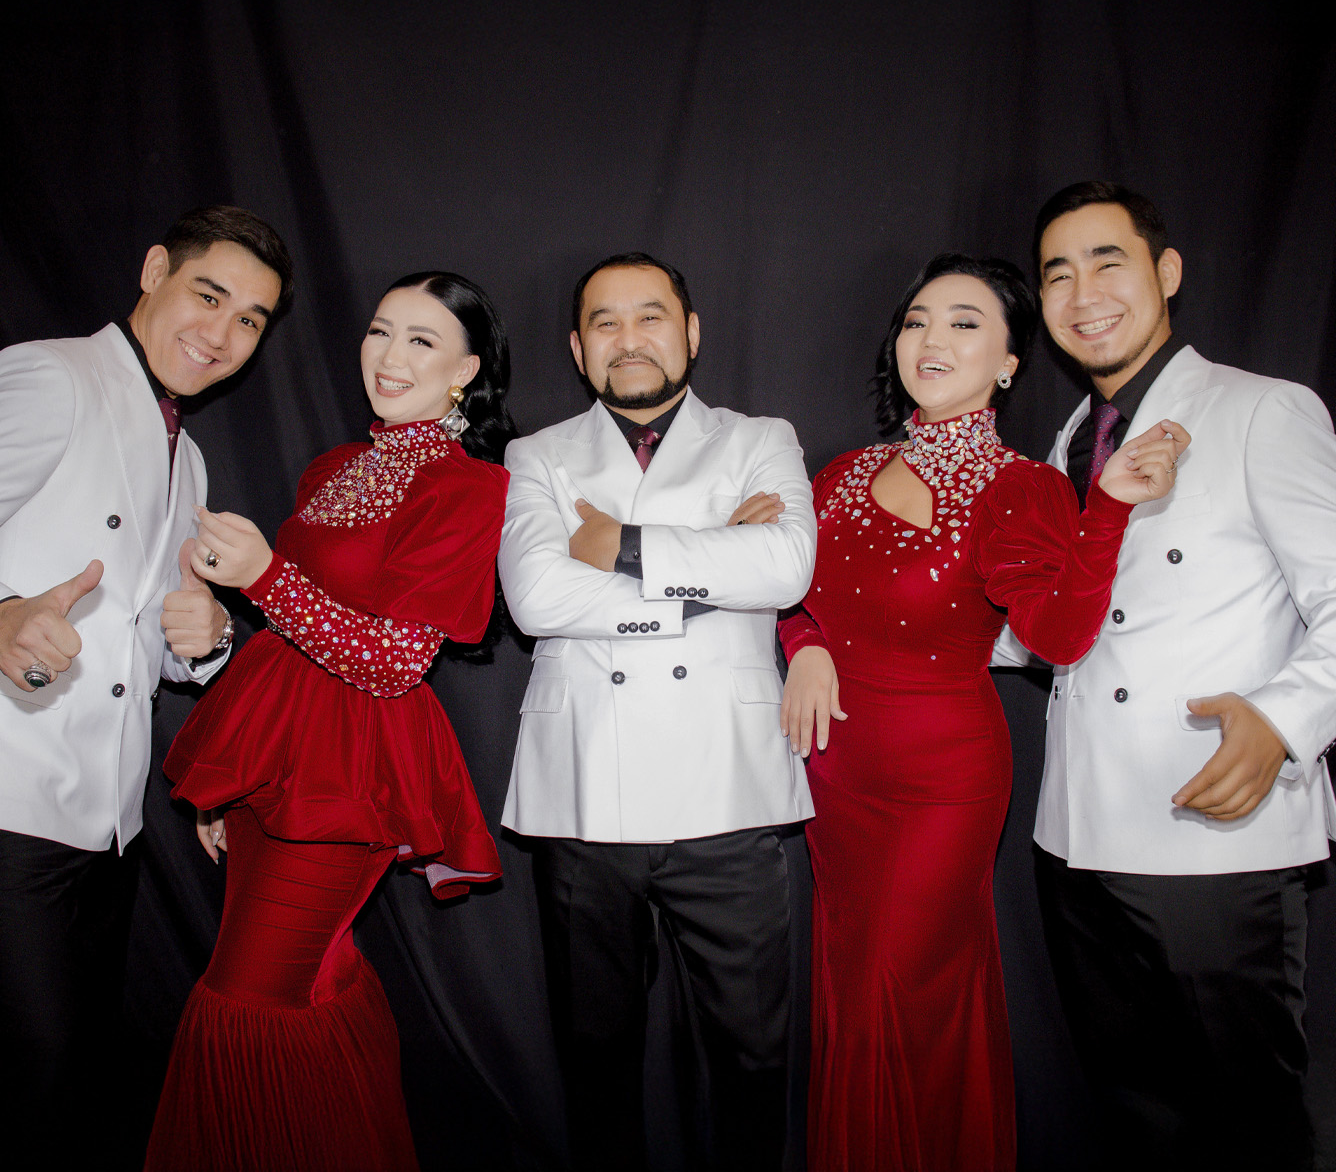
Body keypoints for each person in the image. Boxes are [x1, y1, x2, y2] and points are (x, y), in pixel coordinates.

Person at [0, 205, 292, 1171]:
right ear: (155, 270)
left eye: (249, 319)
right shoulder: (49, 376)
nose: (222, 333)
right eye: (209, 295)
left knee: (71, 1082)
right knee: (23, 1089)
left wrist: (202, 641)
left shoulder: (187, 451)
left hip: (105, 822)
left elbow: (140, 639)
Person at [778, 252, 1186, 1172]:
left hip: (942, 785)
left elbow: (1059, 634)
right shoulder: (840, 474)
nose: (932, 338)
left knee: (895, 988)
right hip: (835, 779)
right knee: (854, 989)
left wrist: (1106, 510)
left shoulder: (1020, 485)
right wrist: (804, 645)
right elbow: (786, 594)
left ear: (1009, 362)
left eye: (965, 323)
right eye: (917, 320)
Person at [144, 270, 514, 1172]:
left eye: (422, 341)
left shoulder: (467, 488)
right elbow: (292, 635)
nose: (389, 355)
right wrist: (229, 782)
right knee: (317, 980)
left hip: (350, 775)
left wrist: (265, 576)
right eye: (380, 330)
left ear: (466, 371)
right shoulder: (334, 467)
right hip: (274, 759)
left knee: (251, 998)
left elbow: (394, 662)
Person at [1019, 182, 1336, 1170]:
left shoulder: (1261, 409)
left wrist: (1283, 721)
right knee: (1139, 1123)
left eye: (1107, 261)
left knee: (1250, 1130)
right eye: (1057, 273)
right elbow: (1060, 628)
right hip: (1079, 836)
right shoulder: (1070, 442)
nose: (1082, 294)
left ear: (1167, 272)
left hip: (1216, 840)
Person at [499, 251, 816, 1171]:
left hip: (730, 792)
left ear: (691, 332)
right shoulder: (536, 454)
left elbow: (786, 568)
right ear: (577, 347)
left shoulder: (761, 437)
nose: (628, 338)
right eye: (605, 322)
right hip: (583, 793)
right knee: (596, 1060)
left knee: (751, 1061)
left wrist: (619, 544)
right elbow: (536, 599)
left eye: (650, 316)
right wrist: (707, 571)